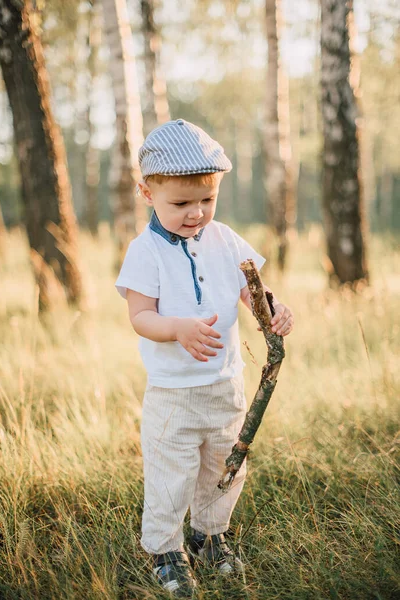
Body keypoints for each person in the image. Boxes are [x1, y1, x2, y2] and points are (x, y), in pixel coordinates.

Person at [115, 119, 294, 598]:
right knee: (172, 472)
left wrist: (272, 311)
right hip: (174, 392)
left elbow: (250, 289)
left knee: (225, 466)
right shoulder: (144, 251)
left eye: (207, 200)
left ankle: (209, 535)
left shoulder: (225, 239)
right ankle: (165, 548)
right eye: (181, 203)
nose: (196, 213)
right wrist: (176, 328)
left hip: (225, 385)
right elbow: (140, 316)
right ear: (147, 192)